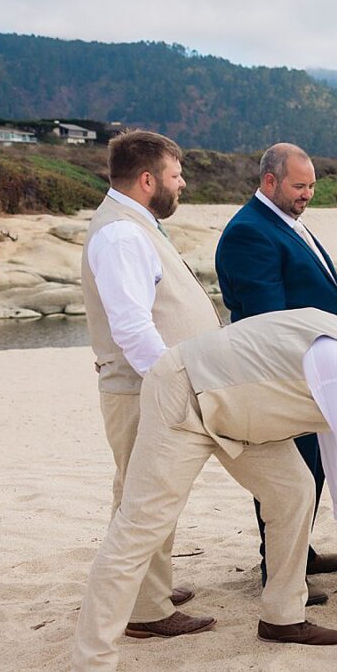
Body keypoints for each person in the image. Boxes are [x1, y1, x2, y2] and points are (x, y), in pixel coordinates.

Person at [63, 311, 337, 672]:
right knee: (139, 527)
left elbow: (335, 447)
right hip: (185, 394)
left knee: (295, 491)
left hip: (243, 415)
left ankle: (282, 618)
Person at [81, 129, 220, 641]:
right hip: (145, 390)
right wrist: (172, 383)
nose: (181, 184)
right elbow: (132, 327)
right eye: (175, 176)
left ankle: (149, 587)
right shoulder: (121, 234)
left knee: (155, 492)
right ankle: (144, 610)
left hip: (152, 386)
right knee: (143, 496)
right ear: (147, 180)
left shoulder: (137, 224)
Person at [215, 142, 337, 602]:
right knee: (288, 475)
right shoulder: (249, 233)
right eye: (300, 185)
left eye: (312, 185)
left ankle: (301, 553)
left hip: (313, 369)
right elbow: (269, 321)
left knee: (310, 470)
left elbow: (318, 300)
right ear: (270, 181)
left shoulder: (284, 221)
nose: (308, 194)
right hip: (284, 375)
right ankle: (276, 568)